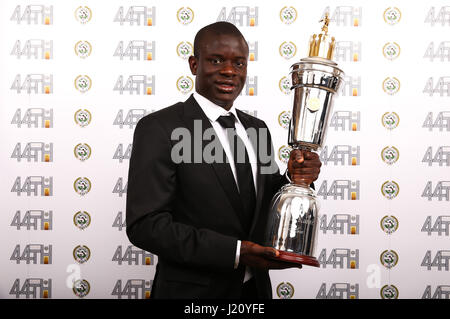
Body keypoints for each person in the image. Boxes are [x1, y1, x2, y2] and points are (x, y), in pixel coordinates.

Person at [126, 21, 322, 299]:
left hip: (254, 293)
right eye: (216, 60)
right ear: (195, 65)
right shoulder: (161, 128)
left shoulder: (257, 130)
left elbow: (263, 207)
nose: (229, 71)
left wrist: (295, 179)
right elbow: (146, 226)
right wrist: (236, 252)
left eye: (239, 63)